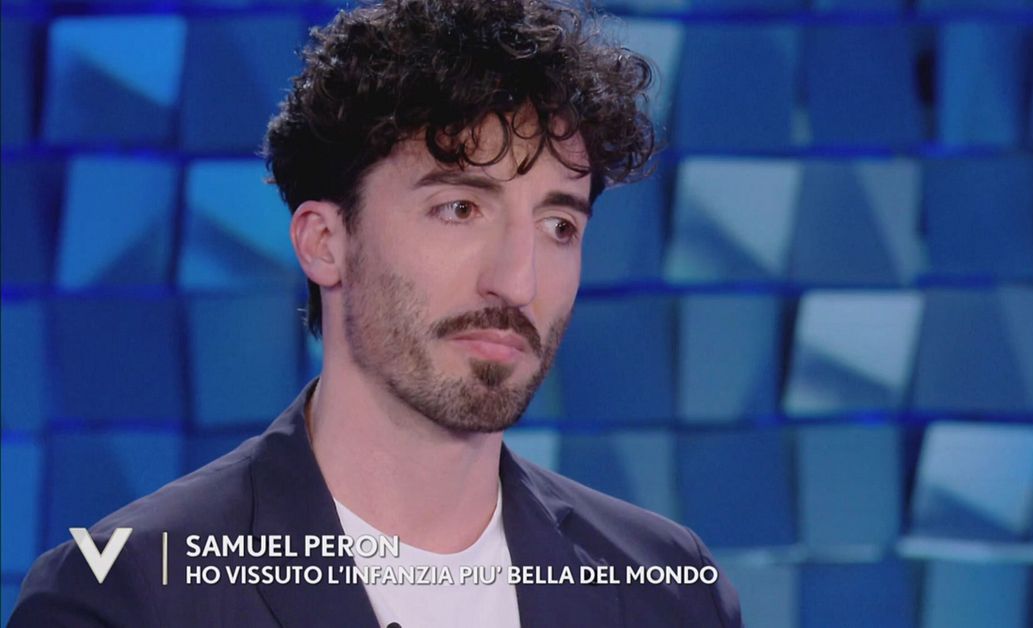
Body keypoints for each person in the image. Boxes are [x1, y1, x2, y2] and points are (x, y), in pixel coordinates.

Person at [11, 1, 743, 626]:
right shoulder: (125, 598)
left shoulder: (669, 591)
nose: (517, 282)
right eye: (459, 209)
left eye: (559, 226)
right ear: (325, 243)